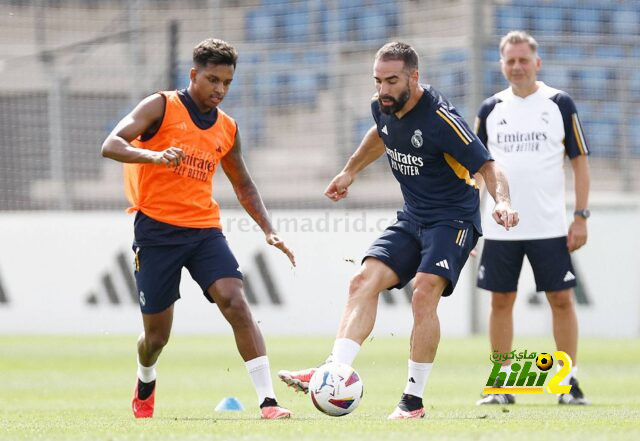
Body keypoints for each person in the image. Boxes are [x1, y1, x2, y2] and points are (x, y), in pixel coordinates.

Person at [278, 42, 518, 419]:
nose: (383, 90)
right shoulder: (382, 107)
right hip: (412, 217)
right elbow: (381, 134)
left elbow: (490, 166)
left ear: (414, 77)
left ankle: (413, 400)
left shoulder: (442, 119)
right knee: (362, 280)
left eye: (391, 81)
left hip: (453, 220)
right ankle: (334, 369)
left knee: (423, 293)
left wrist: (502, 201)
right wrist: (350, 171)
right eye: (377, 81)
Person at [101, 38, 294, 419]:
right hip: (156, 232)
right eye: (212, 80)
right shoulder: (160, 106)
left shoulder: (227, 127)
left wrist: (268, 229)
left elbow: (243, 183)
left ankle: (268, 402)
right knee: (156, 338)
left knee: (235, 301)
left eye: (226, 82)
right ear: (193, 75)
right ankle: (146, 378)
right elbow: (111, 144)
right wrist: (153, 155)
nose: (219, 89)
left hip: (205, 230)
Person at [474, 31, 590, 406]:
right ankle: (501, 384)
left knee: (561, 299)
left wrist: (581, 216)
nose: (517, 66)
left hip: (550, 225)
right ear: (502, 64)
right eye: (510, 60)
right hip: (500, 227)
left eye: (524, 60)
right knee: (501, 301)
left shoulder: (559, 103)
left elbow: (580, 162)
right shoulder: (490, 109)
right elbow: (475, 172)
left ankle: (567, 382)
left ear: (537, 63)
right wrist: (473, 224)